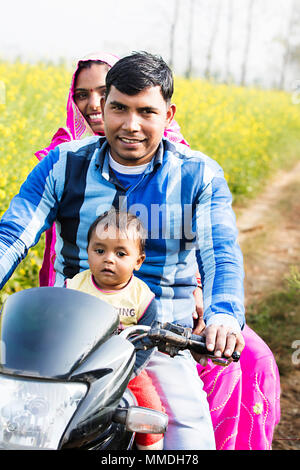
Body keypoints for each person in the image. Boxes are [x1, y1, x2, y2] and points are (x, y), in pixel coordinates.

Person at [0, 51, 246, 449]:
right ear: (103, 107)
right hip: (65, 340)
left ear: (168, 116)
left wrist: (224, 317)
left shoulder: (198, 174)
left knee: (190, 436)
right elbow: (12, 235)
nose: (131, 125)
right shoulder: (63, 164)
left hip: (162, 342)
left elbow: (220, 255)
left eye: (146, 111)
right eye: (118, 108)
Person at [35, 52, 188, 288]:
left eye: (103, 93)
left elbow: (188, 236)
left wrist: (196, 284)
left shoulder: (175, 162)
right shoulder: (62, 157)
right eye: (82, 95)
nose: (94, 103)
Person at [66, 209, 165, 450]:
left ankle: (148, 449)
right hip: (77, 365)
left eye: (120, 253)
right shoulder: (74, 287)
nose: (108, 259)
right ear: (88, 251)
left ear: (138, 261)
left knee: (149, 409)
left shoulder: (142, 298)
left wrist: (127, 374)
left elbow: (146, 341)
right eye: (99, 251)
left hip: (124, 369)